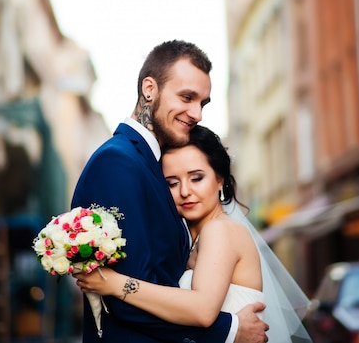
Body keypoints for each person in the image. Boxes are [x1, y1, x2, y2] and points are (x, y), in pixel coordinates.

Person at [70, 40, 268, 343]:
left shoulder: (151, 165)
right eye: (187, 97)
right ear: (149, 89)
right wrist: (229, 329)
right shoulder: (118, 163)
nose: (197, 113)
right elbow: (120, 299)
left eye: (203, 103)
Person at [76, 125, 312, 342]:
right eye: (172, 183)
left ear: (220, 179)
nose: (185, 191)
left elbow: (203, 310)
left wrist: (115, 283)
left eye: (196, 178)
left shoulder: (220, 230)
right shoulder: (191, 237)